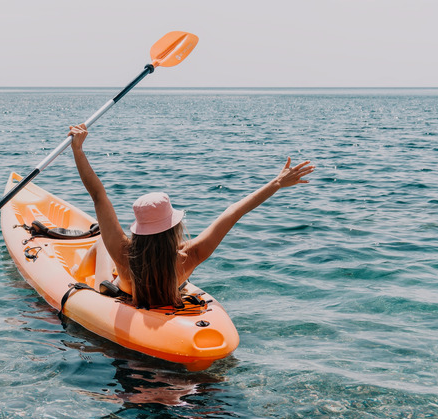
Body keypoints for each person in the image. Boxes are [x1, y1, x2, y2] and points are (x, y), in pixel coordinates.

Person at [68, 123, 314, 309]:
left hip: (120, 294)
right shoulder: (189, 257)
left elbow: (98, 195)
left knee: (102, 240)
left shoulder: (124, 253)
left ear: (139, 228)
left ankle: (75, 276)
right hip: (167, 293)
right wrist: (276, 183)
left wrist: (78, 149)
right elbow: (234, 212)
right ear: (173, 226)